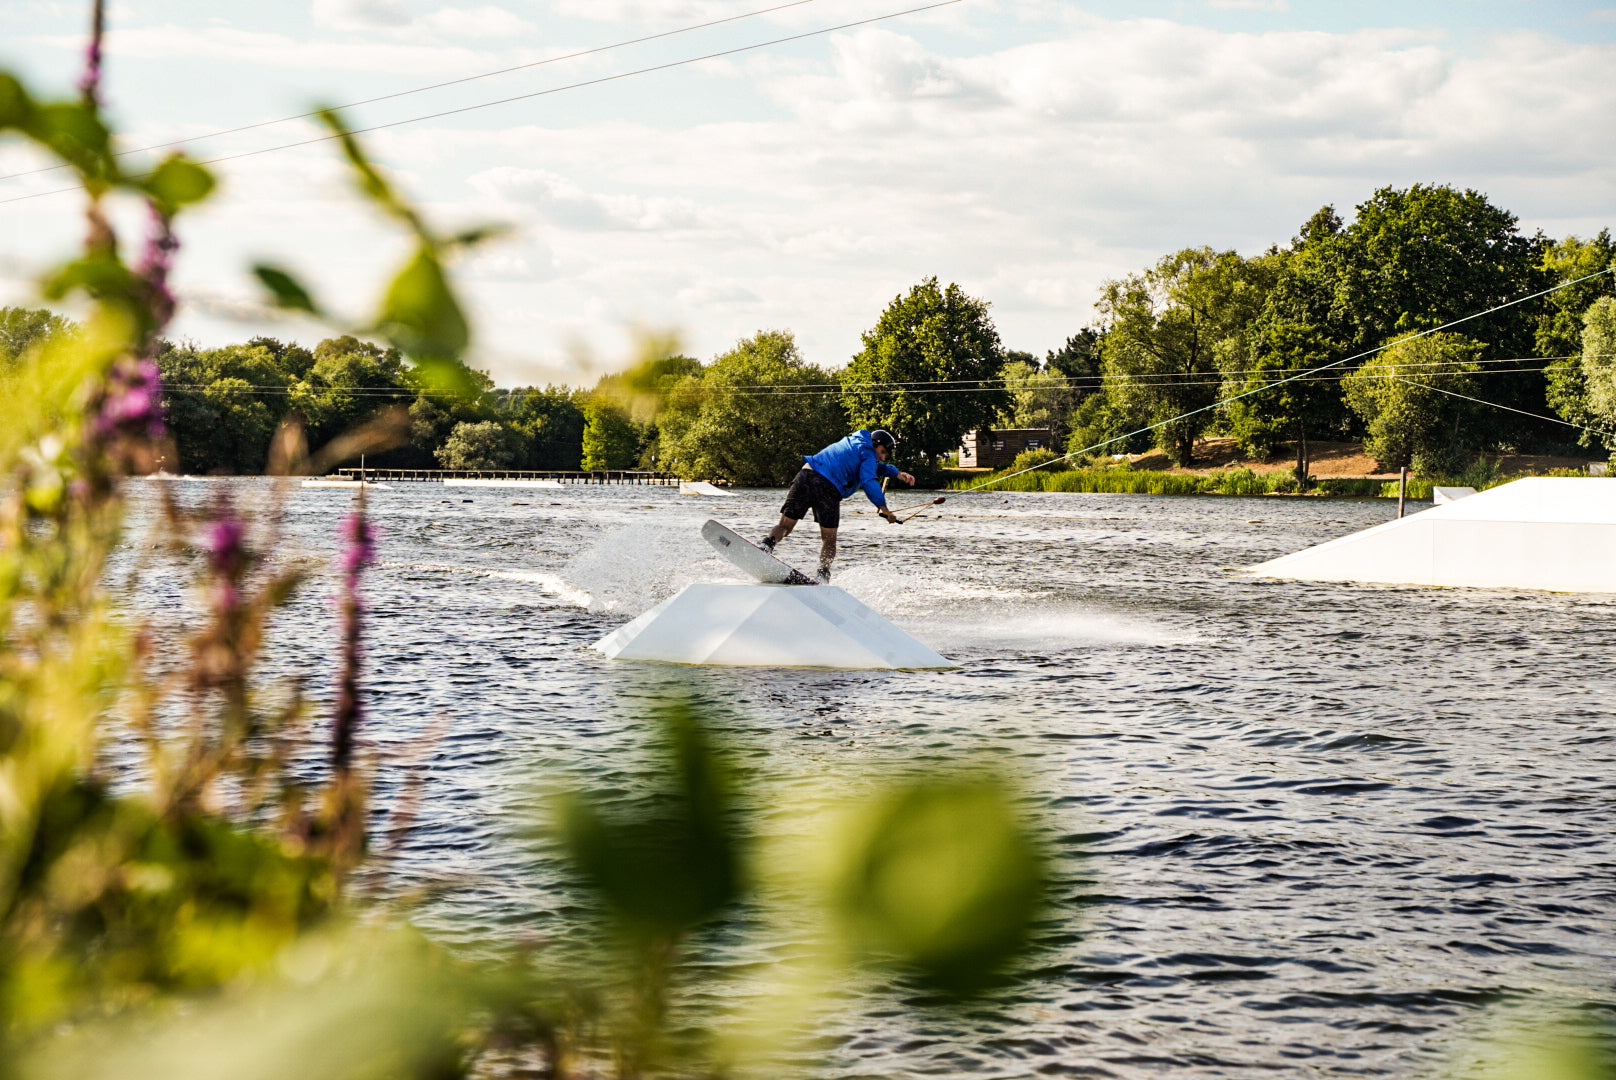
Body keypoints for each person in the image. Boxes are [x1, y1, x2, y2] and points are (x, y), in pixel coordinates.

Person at [761, 428, 915, 583]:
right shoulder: (868, 452)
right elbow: (869, 480)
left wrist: (897, 473)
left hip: (806, 476)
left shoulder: (855, 441)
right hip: (828, 488)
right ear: (875, 443)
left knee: (785, 526)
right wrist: (885, 510)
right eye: (881, 452)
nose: (881, 457)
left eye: (884, 455)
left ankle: (767, 545)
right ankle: (822, 575)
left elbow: (875, 466)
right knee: (829, 539)